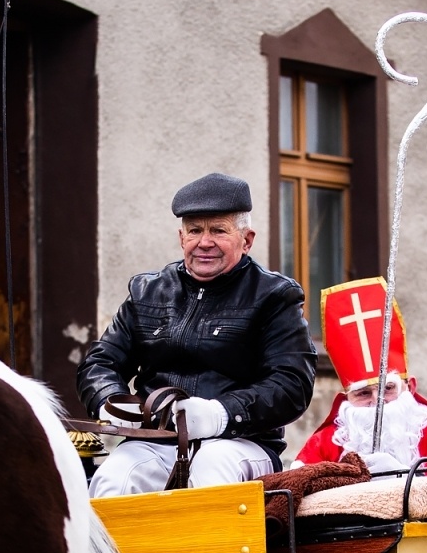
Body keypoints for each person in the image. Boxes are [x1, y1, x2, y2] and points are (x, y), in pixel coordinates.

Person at [78, 172, 315, 496]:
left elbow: (291, 384)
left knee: (212, 470)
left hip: (242, 442)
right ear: (181, 237)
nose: (204, 242)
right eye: (194, 231)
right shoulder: (147, 291)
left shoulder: (275, 296)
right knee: (114, 478)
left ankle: (216, 550)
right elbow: (101, 362)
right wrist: (110, 401)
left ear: (247, 240)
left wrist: (221, 413)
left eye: (218, 230)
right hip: (157, 440)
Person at [292, 277, 427, 472]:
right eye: (363, 393)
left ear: (410, 387)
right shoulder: (325, 443)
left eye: (388, 388)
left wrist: (404, 480)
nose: (377, 401)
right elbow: (300, 490)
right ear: (347, 398)